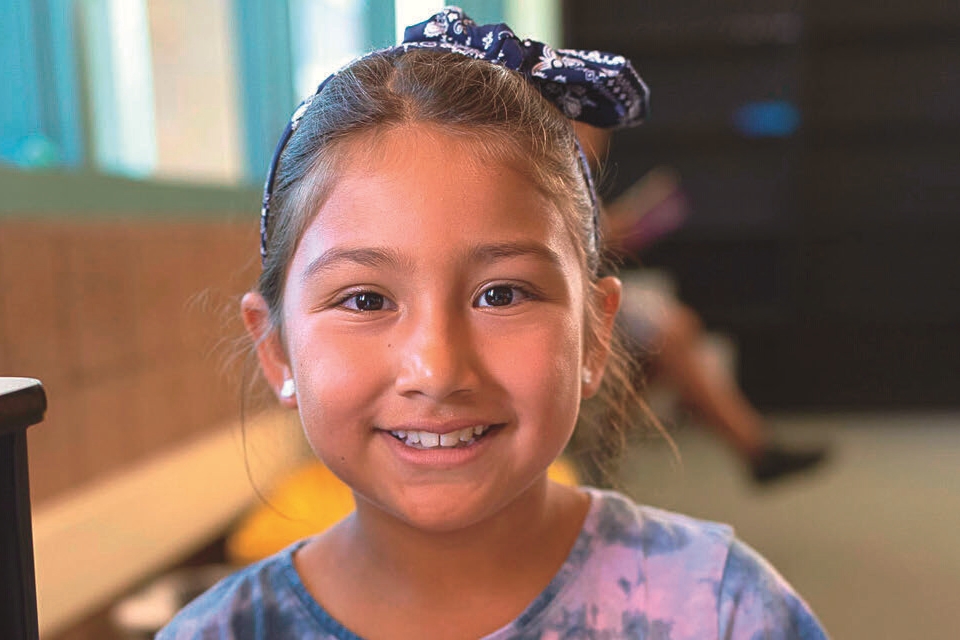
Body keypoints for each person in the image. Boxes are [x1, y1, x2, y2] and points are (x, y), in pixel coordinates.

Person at [158, 8, 828, 639]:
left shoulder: (722, 611)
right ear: (276, 352)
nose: (438, 368)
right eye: (365, 300)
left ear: (596, 334)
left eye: (501, 294)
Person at [574, 122, 829, 486]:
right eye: (590, 128)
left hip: (591, 293)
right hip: (572, 300)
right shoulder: (555, 172)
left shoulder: (578, 176)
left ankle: (605, 443)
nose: (599, 140)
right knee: (672, 333)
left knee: (671, 340)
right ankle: (754, 449)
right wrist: (622, 226)